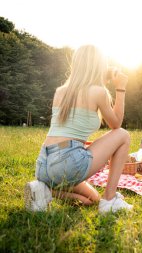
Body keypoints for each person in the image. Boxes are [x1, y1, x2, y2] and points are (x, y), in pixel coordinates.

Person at [24, 45, 133, 213]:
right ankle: (110, 200)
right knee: (123, 135)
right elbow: (116, 124)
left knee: (92, 199)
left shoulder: (61, 91)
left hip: (43, 164)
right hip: (67, 161)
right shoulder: (98, 92)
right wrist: (120, 87)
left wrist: (104, 78)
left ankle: (45, 191)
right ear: (99, 66)